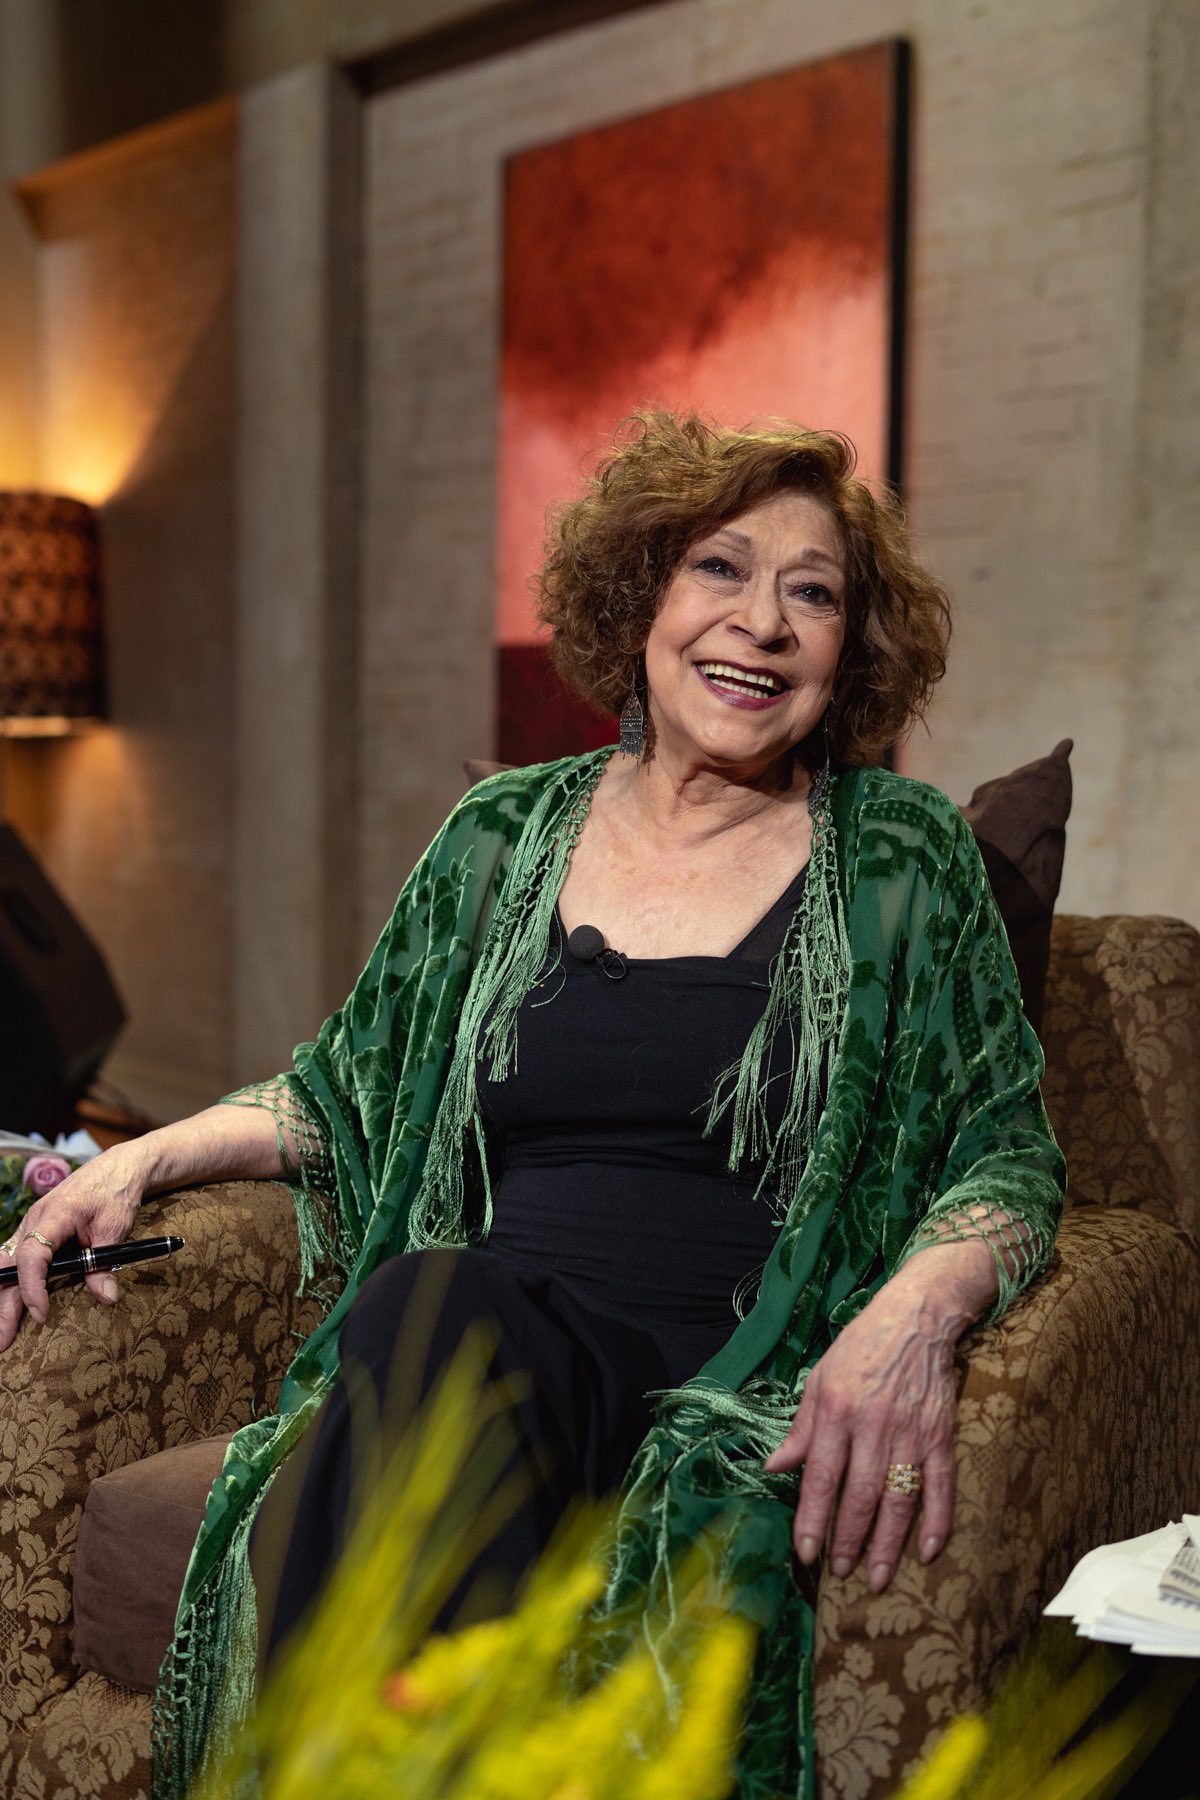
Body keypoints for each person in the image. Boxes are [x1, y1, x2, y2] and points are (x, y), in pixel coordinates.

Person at [0, 414, 1064, 1799]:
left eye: (812, 593)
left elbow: (1004, 1151)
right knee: (431, 1312)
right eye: (720, 569)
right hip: (484, 1350)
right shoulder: (502, 834)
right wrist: (134, 1162)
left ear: (849, 648)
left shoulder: (901, 856)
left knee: (419, 1332)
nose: (762, 623)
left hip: (727, 1368)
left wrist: (912, 1313)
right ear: (640, 599)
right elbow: (346, 1088)